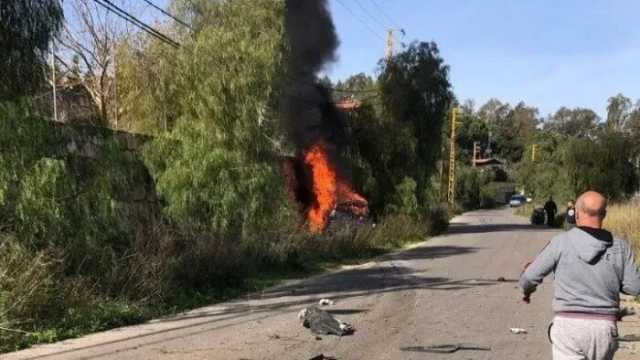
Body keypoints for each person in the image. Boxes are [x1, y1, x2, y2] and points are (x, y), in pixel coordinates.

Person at [519, 191, 640, 360]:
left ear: (576, 213)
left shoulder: (560, 243)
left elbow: (529, 278)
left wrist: (527, 291)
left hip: (568, 327)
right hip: (604, 329)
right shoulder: (620, 246)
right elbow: (635, 287)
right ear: (604, 214)